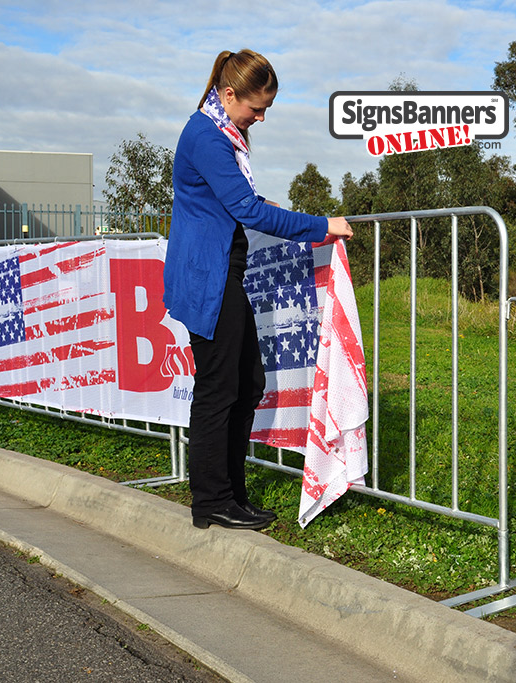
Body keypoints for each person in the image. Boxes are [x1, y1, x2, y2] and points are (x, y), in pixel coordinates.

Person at [163, 49, 353, 530]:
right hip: (208, 277)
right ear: (229, 95)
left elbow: (236, 199)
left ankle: (233, 494)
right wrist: (320, 225)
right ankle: (211, 502)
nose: (260, 117)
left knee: (247, 383)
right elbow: (246, 211)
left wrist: (270, 206)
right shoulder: (206, 135)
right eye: (256, 107)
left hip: (221, 271)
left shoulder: (223, 128)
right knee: (218, 390)